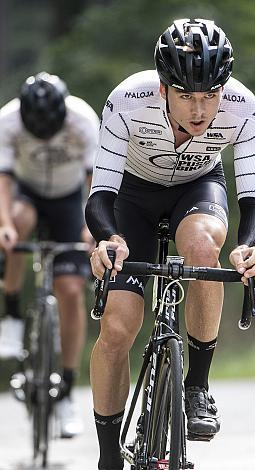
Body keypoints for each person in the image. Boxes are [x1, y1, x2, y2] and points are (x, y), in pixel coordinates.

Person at [85, 18, 255, 470]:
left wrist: (249, 249)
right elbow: (101, 195)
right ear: (164, 89)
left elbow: (254, 203)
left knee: (205, 251)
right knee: (118, 328)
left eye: (210, 94)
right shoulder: (127, 100)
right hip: (131, 196)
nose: (200, 109)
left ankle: (197, 388)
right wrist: (108, 240)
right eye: (186, 94)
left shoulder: (244, 108)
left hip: (199, 188)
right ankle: (109, 456)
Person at [0, 72, 99, 437]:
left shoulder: (83, 119)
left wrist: (93, 226)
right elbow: (3, 181)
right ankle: (10, 315)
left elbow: (98, 180)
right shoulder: (7, 121)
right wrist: (5, 225)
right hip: (26, 193)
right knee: (18, 225)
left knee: (71, 290)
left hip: (70, 198)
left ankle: (67, 392)